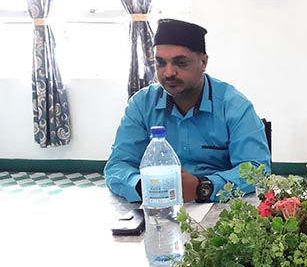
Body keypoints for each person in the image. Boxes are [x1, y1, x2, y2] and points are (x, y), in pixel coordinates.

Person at [104, 18, 271, 203]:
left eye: (181, 63)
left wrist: (203, 187)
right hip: (157, 206)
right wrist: (142, 186)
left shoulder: (233, 106)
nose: (168, 72)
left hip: (218, 206)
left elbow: (257, 170)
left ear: (203, 62)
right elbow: (118, 166)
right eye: (160, 63)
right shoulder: (142, 105)